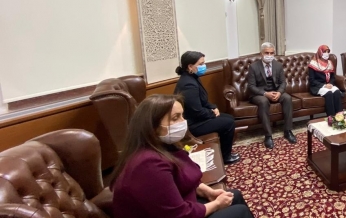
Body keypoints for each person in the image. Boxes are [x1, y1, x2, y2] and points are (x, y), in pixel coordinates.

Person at [111, 94, 253, 218]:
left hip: (182, 204)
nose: (183, 122)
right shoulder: (148, 164)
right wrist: (216, 205)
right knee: (240, 212)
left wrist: (207, 191)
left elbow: (182, 180)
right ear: (153, 127)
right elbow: (178, 215)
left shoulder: (162, 146)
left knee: (235, 196)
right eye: (175, 118)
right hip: (177, 214)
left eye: (182, 116)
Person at [174, 51, 240, 165]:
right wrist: (212, 113)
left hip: (198, 118)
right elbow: (196, 111)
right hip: (193, 124)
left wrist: (213, 107)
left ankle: (224, 152)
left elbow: (202, 101)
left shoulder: (193, 77)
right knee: (228, 123)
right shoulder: (188, 84)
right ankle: (226, 157)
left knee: (229, 118)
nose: (204, 66)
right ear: (190, 66)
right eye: (200, 64)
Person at [246, 42, 296, 149]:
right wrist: (265, 94)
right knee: (263, 101)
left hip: (275, 91)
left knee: (287, 98)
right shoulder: (254, 67)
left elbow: (283, 82)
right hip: (259, 93)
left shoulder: (278, 65)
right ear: (261, 53)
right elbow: (251, 86)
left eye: (271, 53)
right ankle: (268, 136)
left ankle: (288, 131)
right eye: (267, 53)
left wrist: (279, 92)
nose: (269, 55)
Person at [308, 45, 343, 117]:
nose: (326, 53)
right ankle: (331, 117)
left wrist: (331, 84)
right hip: (317, 86)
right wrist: (324, 85)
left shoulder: (329, 63)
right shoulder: (313, 64)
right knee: (329, 93)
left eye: (328, 52)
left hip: (328, 85)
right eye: (324, 52)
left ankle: (339, 115)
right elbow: (312, 80)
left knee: (337, 91)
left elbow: (333, 77)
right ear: (320, 52)